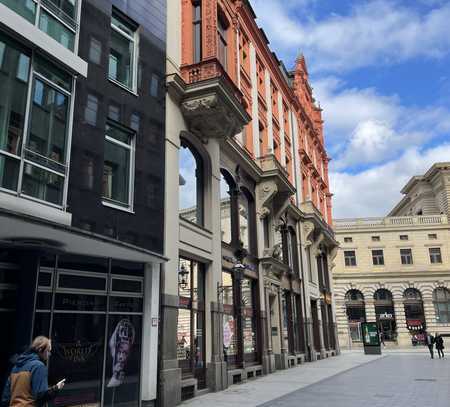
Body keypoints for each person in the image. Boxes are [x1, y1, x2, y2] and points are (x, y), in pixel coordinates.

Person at [1, 336, 65, 407]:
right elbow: (41, 395)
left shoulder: (15, 367)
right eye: (48, 351)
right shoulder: (38, 366)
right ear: (40, 349)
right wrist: (56, 388)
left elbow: (5, 398)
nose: (49, 354)